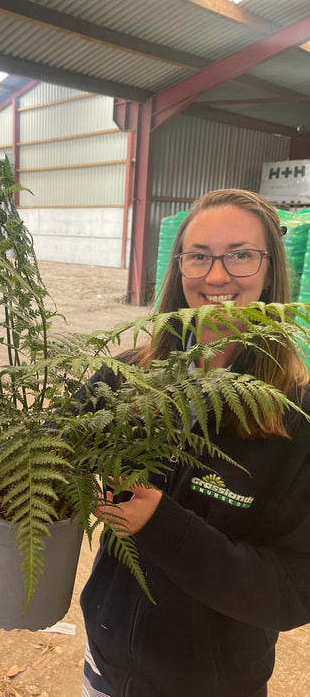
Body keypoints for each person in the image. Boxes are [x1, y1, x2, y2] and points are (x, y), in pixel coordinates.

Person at [80, 189, 310, 697]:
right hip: (106, 667)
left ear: (270, 270)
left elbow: (294, 590)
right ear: (179, 267)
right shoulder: (127, 374)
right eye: (199, 255)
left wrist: (164, 526)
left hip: (214, 683)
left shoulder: (298, 418)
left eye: (241, 255)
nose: (216, 276)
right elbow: (56, 446)